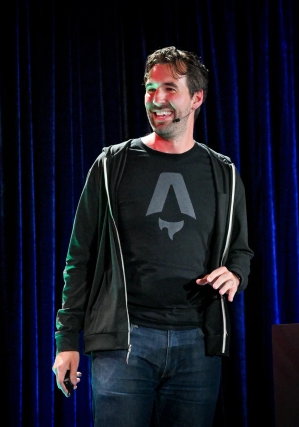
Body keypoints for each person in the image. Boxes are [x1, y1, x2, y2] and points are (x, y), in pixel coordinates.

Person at [52, 46, 253, 426]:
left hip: (197, 344)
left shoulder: (222, 173)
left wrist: (236, 274)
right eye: (150, 88)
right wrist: (66, 342)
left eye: (169, 88)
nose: (157, 99)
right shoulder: (112, 165)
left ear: (196, 98)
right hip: (124, 344)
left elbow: (241, 249)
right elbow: (79, 258)